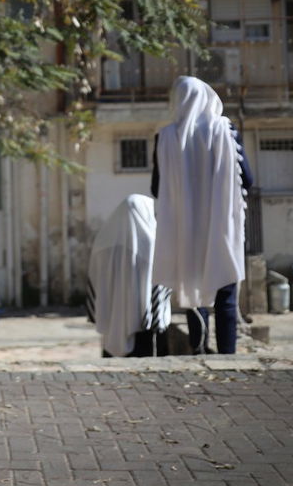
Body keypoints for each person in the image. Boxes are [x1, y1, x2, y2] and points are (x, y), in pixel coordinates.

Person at [150, 76, 252, 355]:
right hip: (221, 224)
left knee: (193, 288)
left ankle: (198, 350)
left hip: (186, 228)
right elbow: (247, 179)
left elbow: (156, 188)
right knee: (225, 290)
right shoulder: (225, 130)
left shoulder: (165, 137)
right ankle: (228, 355)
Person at [86, 194, 170, 358]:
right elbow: (160, 284)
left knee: (113, 366)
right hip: (143, 323)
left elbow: (94, 279)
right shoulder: (151, 243)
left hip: (112, 320)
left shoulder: (102, 242)